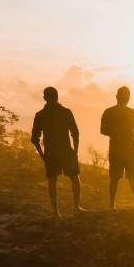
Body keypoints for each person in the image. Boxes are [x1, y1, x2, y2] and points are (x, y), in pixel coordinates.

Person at [31, 86, 82, 216]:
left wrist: (43, 155)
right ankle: (76, 207)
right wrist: (75, 151)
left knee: (52, 181)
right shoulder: (66, 112)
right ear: (57, 97)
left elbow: (35, 139)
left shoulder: (40, 115)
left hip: (51, 152)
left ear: (44, 98)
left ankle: (56, 212)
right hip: (66, 150)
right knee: (74, 178)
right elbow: (75, 133)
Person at [100, 86, 134, 210]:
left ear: (117, 96)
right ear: (128, 98)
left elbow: (103, 130)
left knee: (116, 178)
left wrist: (114, 133)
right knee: (131, 178)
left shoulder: (109, 112)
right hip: (127, 149)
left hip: (118, 149)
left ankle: (112, 205)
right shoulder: (132, 113)